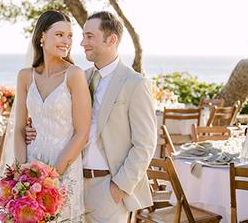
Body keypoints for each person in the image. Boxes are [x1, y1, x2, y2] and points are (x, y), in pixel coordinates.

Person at [26, 11, 157, 223]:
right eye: (83, 36)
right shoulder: (79, 77)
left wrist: (118, 187)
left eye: (89, 36)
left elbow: (145, 144)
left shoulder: (135, 83)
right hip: (71, 183)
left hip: (107, 187)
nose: (81, 43)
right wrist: (32, 129)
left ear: (111, 40)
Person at [13, 10, 91, 221]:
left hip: (63, 167)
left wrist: (52, 177)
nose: (66, 41)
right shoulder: (25, 76)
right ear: (42, 37)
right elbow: (19, 130)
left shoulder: (74, 75)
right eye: (59, 35)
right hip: (32, 166)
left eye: (69, 36)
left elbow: (82, 132)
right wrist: (21, 175)